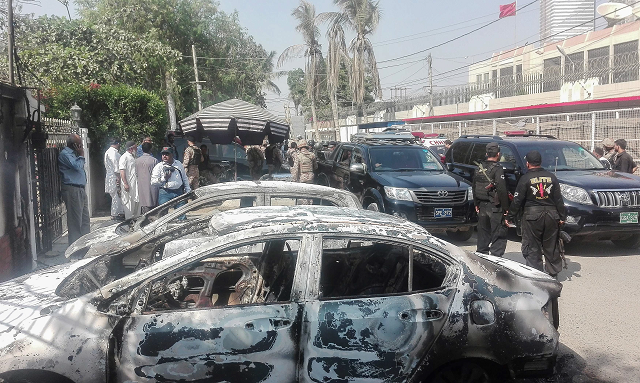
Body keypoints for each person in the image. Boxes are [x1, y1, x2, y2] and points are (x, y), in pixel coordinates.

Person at [506, 151, 566, 276]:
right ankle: (553, 274)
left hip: (532, 217)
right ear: (540, 162)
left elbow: (517, 200)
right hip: (551, 216)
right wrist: (562, 216)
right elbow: (558, 199)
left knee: (532, 247)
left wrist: (510, 216)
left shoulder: (525, 178)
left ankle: (536, 275)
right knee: (551, 245)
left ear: (528, 163)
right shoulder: (551, 177)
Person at [472, 142, 510, 257]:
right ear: (498, 154)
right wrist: (506, 208)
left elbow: (474, 186)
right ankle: (495, 262)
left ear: (486, 153)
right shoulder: (498, 169)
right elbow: (502, 189)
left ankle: (481, 259)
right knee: (498, 236)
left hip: (482, 205)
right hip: (495, 207)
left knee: (483, 235)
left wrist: (476, 203)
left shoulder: (479, 167)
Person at [58, 134, 90, 246]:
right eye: (80, 144)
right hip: (72, 189)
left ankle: (85, 246)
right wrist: (81, 154)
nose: (81, 146)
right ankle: (75, 251)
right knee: (75, 222)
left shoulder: (74, 154)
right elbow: (76, 166)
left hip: (80, 189)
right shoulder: (65, 154)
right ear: (75, 145)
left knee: (85, 220)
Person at [135, 142, 159, 214]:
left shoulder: (137, 161)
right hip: (152, 185)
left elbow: (136, 173)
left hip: (141, 185)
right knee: (153, 201)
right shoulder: (154, 160)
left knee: (144, 202)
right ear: (151, 149)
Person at [104, 138, 124, 220]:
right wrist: (118, 178)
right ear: (117, 144)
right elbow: (116, 167)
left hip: (112, 176)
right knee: (116, 195)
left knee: (116, 196)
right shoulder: (113, 153)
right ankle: (116, 214)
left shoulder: (109, 152)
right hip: (114, 176)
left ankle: (117, 213)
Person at [119, 141, 139, 219]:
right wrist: (125, 183)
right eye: (135, 147)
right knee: (128, 203)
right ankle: (128, 221)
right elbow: (122, 171)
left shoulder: (133, 157)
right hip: (128, 184)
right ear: (131, 148)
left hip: (135, 184)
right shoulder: (124, 157)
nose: (137, 149)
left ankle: (134, 221)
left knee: (135, 202)